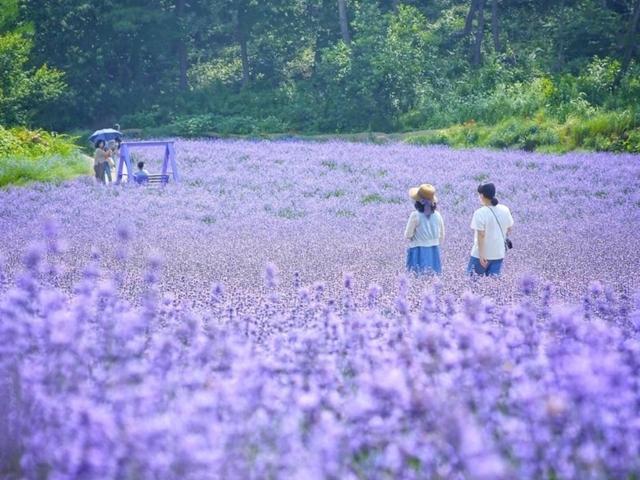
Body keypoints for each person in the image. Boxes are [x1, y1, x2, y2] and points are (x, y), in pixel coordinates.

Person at [467, 182, 514, 276]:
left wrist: (481, 255)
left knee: (472, 283)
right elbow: (509, 229)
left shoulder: (479, 213)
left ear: (482, 195)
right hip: (498, 253)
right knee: (493, 285)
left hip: (481, 255)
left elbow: (481, 235)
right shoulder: (505, 209)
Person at [405, 183, 445, 275]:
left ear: (418, 201)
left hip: (418, 251)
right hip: (433, 251)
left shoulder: (415, 215)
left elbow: (408, 235)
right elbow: (442, 235)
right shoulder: (438, 215)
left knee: (417, 277)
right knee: (433, 277)